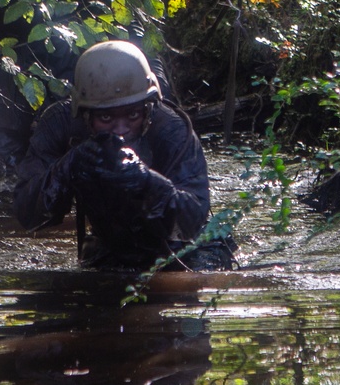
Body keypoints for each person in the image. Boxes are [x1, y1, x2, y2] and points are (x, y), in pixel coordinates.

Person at [13, 40, 234, 270]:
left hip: (191, 248)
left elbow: (193, 221)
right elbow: (27, 216)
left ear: (147, 110)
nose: (120, 129)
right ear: (85, 115)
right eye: (106, 119)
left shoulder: (170, 129)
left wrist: (147, 182)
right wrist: (69, 166)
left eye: (133, 115)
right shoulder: (61, 125)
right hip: (113, 247)